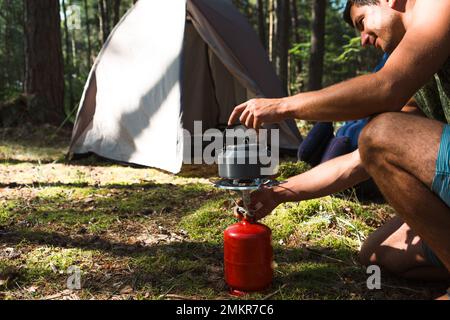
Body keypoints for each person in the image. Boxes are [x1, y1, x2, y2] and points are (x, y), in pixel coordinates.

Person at [228, 0, 450, 299]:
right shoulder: (416, 73)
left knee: (380, 132)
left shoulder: (437, 4)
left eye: (362, 22)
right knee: (377, 253)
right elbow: (363, 159)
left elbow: (385, 88)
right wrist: (277, 193)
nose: (363, 39)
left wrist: (283, 105)